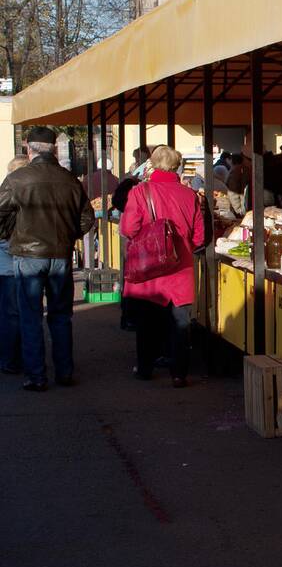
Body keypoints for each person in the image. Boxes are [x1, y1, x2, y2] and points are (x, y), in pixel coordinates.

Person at [0, 128, 95, 391]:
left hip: (28, 255)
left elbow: (0, 214)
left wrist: (11, 235)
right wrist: (67, 235)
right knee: (61, 315)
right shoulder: (70, 180)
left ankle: (36, 375)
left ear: (29, 149)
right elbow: (86, 219)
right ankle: (64, 371)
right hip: (60, 254)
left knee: (30, 316)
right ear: (53, 149)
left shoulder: (17, 179)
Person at [119, 146, 206, 387]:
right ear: (177, 166)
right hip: (181, 267)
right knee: (180, 322)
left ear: (152, 165)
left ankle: (145, 368)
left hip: (150, 268)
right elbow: (199, 237)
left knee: (147, 322)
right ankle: (179, 373)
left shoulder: (140, 192)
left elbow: (128, 229)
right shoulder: (190, 195)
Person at [0, 155, 28, 375]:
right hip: (21, 258)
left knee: (9, 312)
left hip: (7, 259)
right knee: (19, 311)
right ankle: (16, 357)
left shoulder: (7, 192)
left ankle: (10, 357)